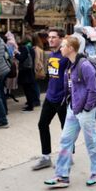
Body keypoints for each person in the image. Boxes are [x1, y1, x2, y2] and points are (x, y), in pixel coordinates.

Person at [44, 36, 96, 188]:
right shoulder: (70, 65)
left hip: (85, 111)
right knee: (65, 140)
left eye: (63, 45)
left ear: (71, 48)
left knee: (91, 142)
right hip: (73, 108)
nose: (61, 48)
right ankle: (62, 176)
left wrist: (87, 107)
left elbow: (94, 90)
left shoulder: (84, 66)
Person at [32, 28, 70, 170]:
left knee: (66, 129)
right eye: (49, 37)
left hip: (62, 99)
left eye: (54, 37)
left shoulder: (66, 55)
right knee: (42, 124)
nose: (50, 39)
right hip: (50, 96)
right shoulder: (52, 54)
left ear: (61, 39)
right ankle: (46, 157)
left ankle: (67, 156)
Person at [16, 37, 38, 112]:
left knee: (27, 89)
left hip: (25, 72)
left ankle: (30, 105)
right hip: (30, 70)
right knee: (30, 88)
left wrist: (16, 54)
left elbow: (21, 58)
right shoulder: (31, 48)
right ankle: (31, 103)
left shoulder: (23, 48)